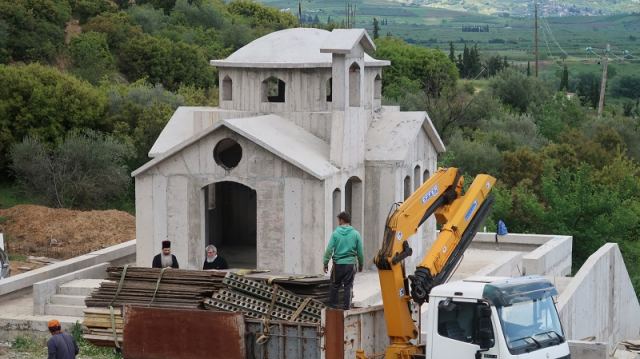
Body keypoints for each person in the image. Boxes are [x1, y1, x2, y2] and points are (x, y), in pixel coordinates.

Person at [323, 211, 364, 310]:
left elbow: (329, 250)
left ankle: (333, 308)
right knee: (348, 287)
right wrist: (361, 264)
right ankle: (346, 308)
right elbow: (360, 252)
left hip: (338, 265)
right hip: (350, 265)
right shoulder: (356, 234)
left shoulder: (335, 234)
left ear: (341, 220)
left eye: (339, 220)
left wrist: (325, 263)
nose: (338, 222)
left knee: (334, 286)